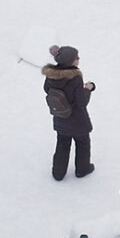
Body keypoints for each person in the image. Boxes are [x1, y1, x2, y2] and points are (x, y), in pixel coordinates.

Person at [41, 44, 94, 180]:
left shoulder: (51, 75)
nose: (78, 59)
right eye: (76, 57)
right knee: (82, 144)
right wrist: (87, 89)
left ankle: (58, 173)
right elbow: (81, 102)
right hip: (77, 120)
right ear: (71, 61)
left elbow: (47, 89)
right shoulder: (75, 77)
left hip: (60, 117)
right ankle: (82, 169)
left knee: (62, 145)